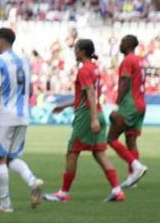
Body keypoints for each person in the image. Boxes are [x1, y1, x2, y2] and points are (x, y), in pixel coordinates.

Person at [44, 39, 125, 203]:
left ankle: (63, 193)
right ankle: (117, 191)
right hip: (98, 112)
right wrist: (65, 106)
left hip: (87, 116)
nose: (74, 52)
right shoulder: (95, 69)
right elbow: (86, 96)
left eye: (76, 49)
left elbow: (90, 95)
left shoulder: (84, 70)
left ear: (82, 51)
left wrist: (93, 119)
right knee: (99, 153)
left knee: (72, 152)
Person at [0, 27, 43, 213]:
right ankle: (33, 181)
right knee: (10, 157)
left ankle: (5, 204)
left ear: (0, 41)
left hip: (3, 116)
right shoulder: (24, 61)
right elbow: (31, 90)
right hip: (23, 115)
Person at [109, 35, 150, 188]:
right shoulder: (140, 60)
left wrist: (116, 106)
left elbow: (125, 82)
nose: (120, 44)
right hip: (140, 104)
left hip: (129, 105)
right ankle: (133, 179)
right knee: (131, 141)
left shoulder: (128, 60)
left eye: (122, 42)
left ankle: (137, 166)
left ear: (128, 44)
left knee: (111, 138)